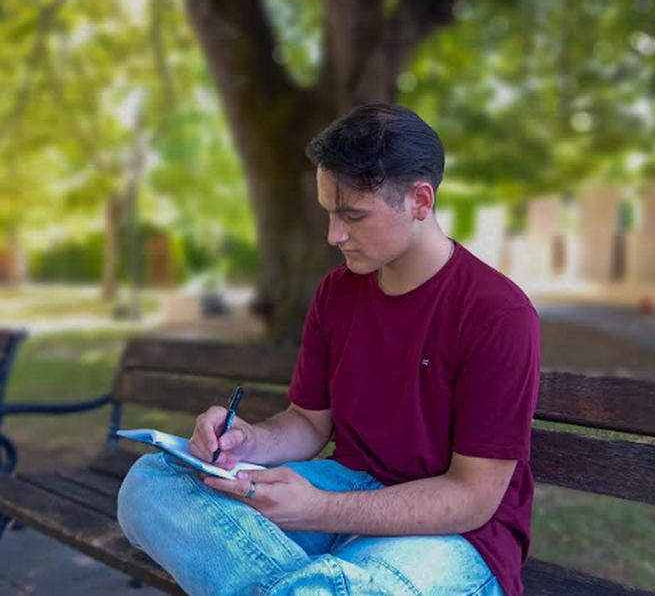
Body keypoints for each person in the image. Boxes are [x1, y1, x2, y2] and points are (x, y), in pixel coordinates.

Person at [117, 103, 541, 596]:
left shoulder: (497, 313)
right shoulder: (337, 293)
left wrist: (317, 508)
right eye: (329, 213)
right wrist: (247, 441)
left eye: (352, 216)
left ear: (420, 202)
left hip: (454, 534)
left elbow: (472, 497)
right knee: (153, 483)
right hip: (343, 488)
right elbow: (308, 422)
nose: (334, 235)